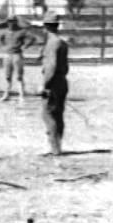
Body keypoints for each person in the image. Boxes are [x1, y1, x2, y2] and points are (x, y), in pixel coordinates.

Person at [40, 11, 69, 155]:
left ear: (45, 27)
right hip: (62, 81)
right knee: (58, 114)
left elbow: (51, 66)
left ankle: (54, 148)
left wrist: (44, 85)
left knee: (48, 114)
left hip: (53, 82)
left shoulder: (52, 43)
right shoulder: (62, 42)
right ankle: (58, 145)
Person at [0, 15, 36, 102]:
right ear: (7, 22)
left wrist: (25, 45)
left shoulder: (21, 31)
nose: (11, 23)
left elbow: (32, 38)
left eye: (13, 21)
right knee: (7, 76)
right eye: (9, 21)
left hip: (17, 55)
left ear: (16, 22)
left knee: (19, 76)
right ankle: (6, 94)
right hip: (7, 55)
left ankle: (21, 95)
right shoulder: (4, 32)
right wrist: (2, 47)